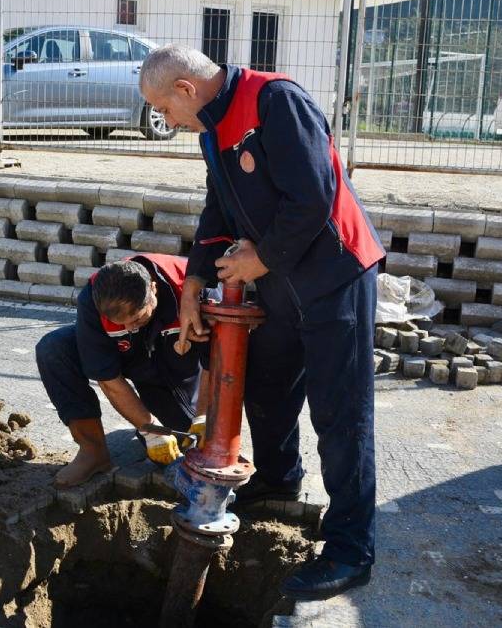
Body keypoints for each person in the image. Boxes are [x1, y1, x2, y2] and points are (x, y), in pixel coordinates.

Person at [138, 44, 386, 601]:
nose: (167, 121)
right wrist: (195, 281)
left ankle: (351, 550)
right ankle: (278, 481)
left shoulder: (275, 101)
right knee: (268, 390)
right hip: (278, 282)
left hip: (334, 275)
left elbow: (314, 196)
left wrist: (262, 259)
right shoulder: (211, 131)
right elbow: (218, 209)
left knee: (340, 414)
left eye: (166, 109)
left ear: (186, 89)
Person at [35, 254, 207, 488]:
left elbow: (219, 364)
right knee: (54, 348)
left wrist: (205, 416)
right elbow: (107, 379)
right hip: (128, 356)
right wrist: (151, 429)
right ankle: (93, 451)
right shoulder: (94, 297)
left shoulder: (192, 288)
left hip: (175, 369)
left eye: (136, 319)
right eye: (120, 323)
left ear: (153, 290)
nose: (128, 328)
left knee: (189, 445)